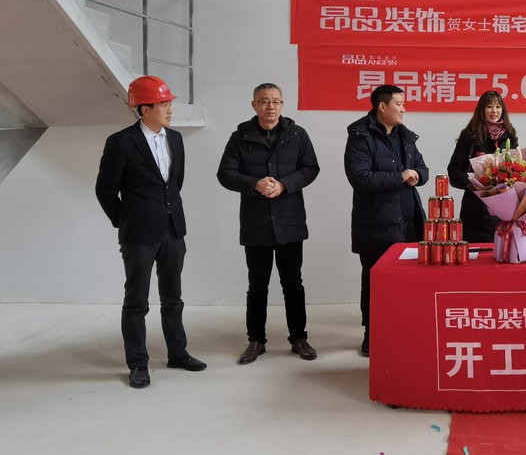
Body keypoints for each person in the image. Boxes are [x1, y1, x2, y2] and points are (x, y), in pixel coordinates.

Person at [95, 75, 206, 389]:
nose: (170, 109)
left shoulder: (175, 139)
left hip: (173, 230)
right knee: (136, 302)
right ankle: (138, 363)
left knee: (173, 298)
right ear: (144, 109)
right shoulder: (121, 142)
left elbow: (174, 184)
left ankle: (178, 353)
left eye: (169, 103)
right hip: (138, 235)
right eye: (163, 104)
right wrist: (125, 221)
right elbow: (105, 190)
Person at [217, 83, 321, 365]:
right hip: (257, 222)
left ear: (282, 104)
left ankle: (299, 338)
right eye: (263, 101)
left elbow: (311, 168)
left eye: (275, 101)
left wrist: (284, 185)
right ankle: (256, 340)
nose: (270, 106)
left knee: (293, 283)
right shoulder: (240, 137)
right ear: (254, 105)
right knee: (257, 284)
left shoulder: (297, 135)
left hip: (290, 220)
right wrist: (255, 184)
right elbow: (225, 174)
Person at [345, 84, 428, 357]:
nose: (404, 109)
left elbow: (423, 169)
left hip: (410, 222)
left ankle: (404, 331)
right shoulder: (360, 136)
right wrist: (400, 176)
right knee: (376, 281)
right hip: (377, 223)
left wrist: (417, 174)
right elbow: (360, 177)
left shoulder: (405, 136)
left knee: (409, 283)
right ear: (382, 107)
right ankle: (372, 334)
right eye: (399, 104)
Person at [446, 90, 519, 243]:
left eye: (498, 107)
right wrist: (474, 185)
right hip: (476, 210)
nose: (494, 111)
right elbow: (454, 170)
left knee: (503, 253)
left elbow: (516, 168)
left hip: (504, 211)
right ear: (482, 109)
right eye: (489, 106)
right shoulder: (470, 135)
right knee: (478, 253)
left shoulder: (510, 135)